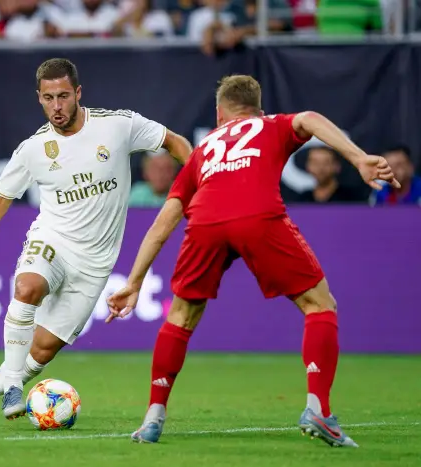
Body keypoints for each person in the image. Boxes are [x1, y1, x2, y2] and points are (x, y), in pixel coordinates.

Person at [106, 75, 400, 448]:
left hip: (206, 222)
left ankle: (152, 417)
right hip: (256, 216)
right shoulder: (270, 125)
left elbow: (165, 222)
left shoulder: (203, 149)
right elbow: (308, 118)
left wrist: (133, 281)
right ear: (257, 109)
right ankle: (318, 409)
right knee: (319, 305)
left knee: (180, 317)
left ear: (219, 113)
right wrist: (358, 157)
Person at [0, 58, 193, 428]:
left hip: (95, 263)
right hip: (52, 240)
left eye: (63, 96)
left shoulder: (117, 126)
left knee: (43, 349)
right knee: (27, 286)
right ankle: (14, 386)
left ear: (78, 93)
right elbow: (2, 196)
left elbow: (174, 142)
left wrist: (202, 179)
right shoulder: (34, 148)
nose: (57, 106)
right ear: (39, 99)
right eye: (48, 98)